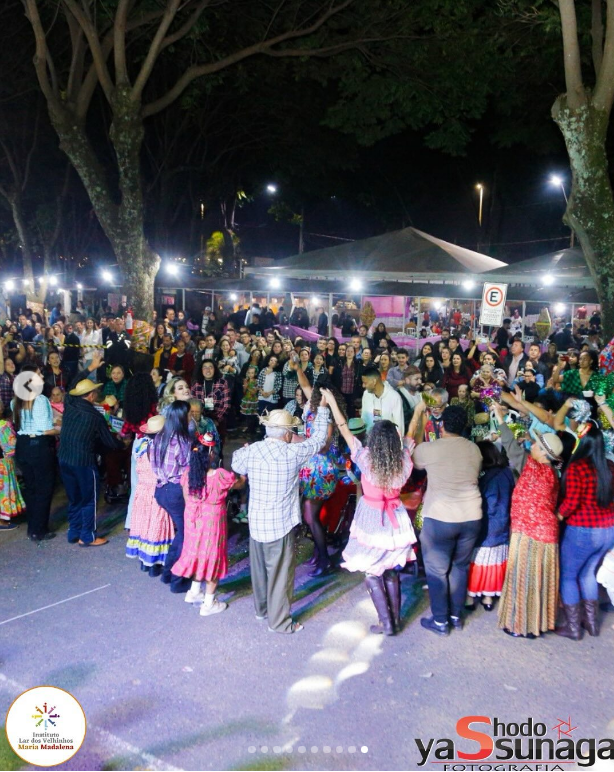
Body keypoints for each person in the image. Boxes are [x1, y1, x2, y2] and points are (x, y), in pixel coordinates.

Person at [323, 388, 417, 635]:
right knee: (391, 571)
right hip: (396, 517)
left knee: (372, 572)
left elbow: (344, 428)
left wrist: (332, 402)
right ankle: (394, 620)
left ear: (373, 440)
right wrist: (418, 412)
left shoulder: (365, 458)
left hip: (371, 517)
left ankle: (386, 623)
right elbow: (410, 435)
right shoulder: (404, 460)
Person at [231, 403, 330, 633]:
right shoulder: (292, 453)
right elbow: (318, 441)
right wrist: (323, 410)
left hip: (256, 523)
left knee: (259, 571)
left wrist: (247, 450)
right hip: (280, 525)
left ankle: (262, 610)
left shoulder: (253, 450)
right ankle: (280, 623)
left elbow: (236, 462)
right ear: (287, 434)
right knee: (281, 575)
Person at [410, 403, 483, 635]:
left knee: (436, 571)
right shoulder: (474, 450)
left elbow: (414, 457)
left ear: (441, 425)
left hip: (440, 518)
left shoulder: (431, 449)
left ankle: (441, 621)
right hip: (471, 517)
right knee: (460, 567)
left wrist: (420, 421)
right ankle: (456, 616)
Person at [493, 403, 565, 638]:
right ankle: (537, 625)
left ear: (543, 453)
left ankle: (521, 626)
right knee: (540, 581)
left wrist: (500, 419)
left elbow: (510, 446)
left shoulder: (531, 466)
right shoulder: (553, 472)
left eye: (536, 444)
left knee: (523, 579)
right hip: (548, 534)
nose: (531, 445)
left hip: (528, 533)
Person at [173, 434, 243, 615]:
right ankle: (209, 604)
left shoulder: (188, 474)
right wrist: (244, 473)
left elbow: (186, 497)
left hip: (193, 520)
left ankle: (194, 591)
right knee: (212, 558)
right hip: (211, 522)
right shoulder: (219, 475)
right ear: (211, 454)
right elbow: (239, 484)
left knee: (197, 554)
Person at [556, 422, 614, 639]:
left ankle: (573, 628)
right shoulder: (610, 466)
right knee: (588, 573)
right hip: (608, 531)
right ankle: (591, 623)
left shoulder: (576, 468)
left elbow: (571, 502)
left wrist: (558, 515)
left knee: (568, 576)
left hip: (583, 531)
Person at [59, 375, 123, 546]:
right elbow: (110, 443)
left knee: (74, 498)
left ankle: (74, 532)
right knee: (89, 500)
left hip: (64, 458)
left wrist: (90, 368)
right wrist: (122, 442)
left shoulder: (70, 405)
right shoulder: (95, 416)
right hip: (83, 462)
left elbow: (70, 389)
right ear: (91, 395)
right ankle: (87, 536)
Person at [296, 367, 347, 576]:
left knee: (310, 514)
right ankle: (320, 553)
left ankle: (324, 560)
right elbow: (304, 384)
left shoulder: (328, 416)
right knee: (311, 515)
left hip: (322, 469)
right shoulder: (312, 405)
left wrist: (299, 441)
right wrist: (297, 367)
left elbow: (324, 446)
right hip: (310, 466)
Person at [12, 365, 59, 541]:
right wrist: (60, 429)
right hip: (38, 446)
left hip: (22, 445)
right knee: (44, 488)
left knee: (31, 488)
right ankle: (39, 530)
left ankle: (32, 527)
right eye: (39, 374)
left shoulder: (16, 400)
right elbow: (45, 429)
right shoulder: (39, 400)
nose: (42, 377)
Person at [466, 442, 514, 611]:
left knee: (478, 561)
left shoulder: (482, 475)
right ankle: (488, 597)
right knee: (495, 562)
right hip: (503, 523)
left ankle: (470, 597)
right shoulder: (507, 472)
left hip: (485, 525)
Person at [151, 400, 192, 593]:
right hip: (176, 491)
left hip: (161, 489)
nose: (192, 417)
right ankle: (177, 580)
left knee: (181, 533)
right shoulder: (183, 440)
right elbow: (187, 470)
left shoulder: (160, 436)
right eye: (189, 414)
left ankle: (168, 574)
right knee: (186, 534)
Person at [125, 415, 174, 576]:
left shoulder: (140, 445)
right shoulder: (162, 449)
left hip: (142, 491)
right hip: (156, 491)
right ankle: (154, 564)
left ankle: (144, 562)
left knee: (143, 526)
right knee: (156, 526)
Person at [0, 399, 25, 530]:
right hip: (3, 463)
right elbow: (11, 446)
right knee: (3, 491)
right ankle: (2, 521)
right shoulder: (4, 426)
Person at [191, 360, 231, 440]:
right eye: (205, 367)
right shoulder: (196, 384)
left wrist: (217, 420)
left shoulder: (222, 382)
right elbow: (193, 403)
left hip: (218, 419)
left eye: (210, 367)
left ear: (215, 369)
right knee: (201, 442)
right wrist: (199, 419)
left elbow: (226, 404)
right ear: (201, 370)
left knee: (218, 441)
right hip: (200, 419)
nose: (208, 370)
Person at [361, 365, 404, 436]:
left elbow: (399, 427)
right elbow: (364, 419)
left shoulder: (394, 397)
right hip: (369, 440)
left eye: (365, 383)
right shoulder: (366, 394)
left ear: (374, 381)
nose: (363, 386)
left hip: (388, 440)